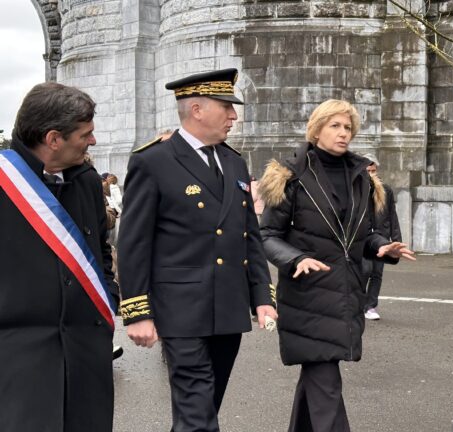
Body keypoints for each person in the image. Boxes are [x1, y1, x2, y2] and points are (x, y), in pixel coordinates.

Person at [117, 68, 277, 432]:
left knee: (205, 406)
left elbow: (248, 234)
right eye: (227, 107)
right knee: (196, 409)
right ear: (197, 109)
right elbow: (134, 242)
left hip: (227, 306)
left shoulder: (233, 160)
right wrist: (137, 311)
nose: (234, 116)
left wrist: (261, 296)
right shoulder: (153, 161)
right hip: (180, 310)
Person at [259, 99, 416, 432]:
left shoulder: (362, 178)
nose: (343, 133)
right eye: (335, 126)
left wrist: (382, 247)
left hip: (345, 294)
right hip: (307, 296)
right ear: (316, 129)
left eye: (348, 127)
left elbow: (361, 237)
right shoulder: (288, 175)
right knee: (325, 380)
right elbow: (267, 235)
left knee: (318, 376)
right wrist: (296, 258)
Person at [0, 82, 118, 431]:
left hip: (86, 357)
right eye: (85, 134)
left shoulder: (86, 182)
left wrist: (108, 298)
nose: (92, 141)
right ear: (53, 139)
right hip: (19, 360)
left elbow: (102, 251)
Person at [360, 153, 402, 320]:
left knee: (377, 273)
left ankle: (370, 306)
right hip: (364, 239)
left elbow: (392, 215)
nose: (371, 174)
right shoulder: (358, 190)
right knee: (365, 269)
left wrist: (397, 240)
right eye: (368, 171)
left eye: (374, 170)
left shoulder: (386, 190)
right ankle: (359, 303)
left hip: (382, 238)